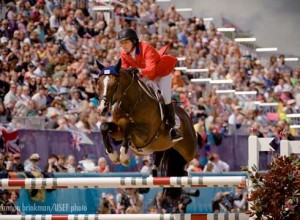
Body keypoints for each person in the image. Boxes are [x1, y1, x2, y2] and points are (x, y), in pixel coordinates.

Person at [117, 28, 182, 142]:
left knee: (165, 96)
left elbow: (151, 69)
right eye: (121, 43)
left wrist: (138, 71)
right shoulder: (124, 54)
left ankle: (173, 127)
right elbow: (124, 69)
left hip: (161, 73)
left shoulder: (146, 48)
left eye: (126, 42)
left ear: (134, 41)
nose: (124, 45)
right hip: (145, 75)